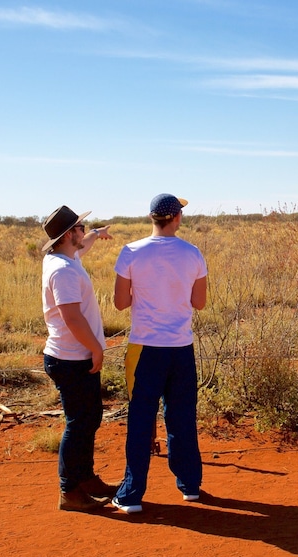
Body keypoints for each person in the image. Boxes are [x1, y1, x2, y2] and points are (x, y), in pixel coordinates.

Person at [111, 193, 207, 514]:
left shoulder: (131, 252)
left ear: (151, 217)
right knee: (182, 417)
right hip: (180, 348)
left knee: (140, 418)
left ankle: (132, 494)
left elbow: (120, 303)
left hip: (145, 349)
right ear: (177, 218)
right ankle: (190, 485)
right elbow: (199, 302)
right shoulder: (193, 254)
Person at [40, 205, 119, 512]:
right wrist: (96, 348)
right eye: (80, 228)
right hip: (71, 358)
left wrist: (97, 234)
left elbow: (82, 247)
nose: (83, 232)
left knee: (89, 418)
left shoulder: (64, 258)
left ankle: (85, 479)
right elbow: (71, 317)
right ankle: (69, 490)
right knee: (79, 423)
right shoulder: (62, 271)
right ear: (67, 235)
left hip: (75, 355)